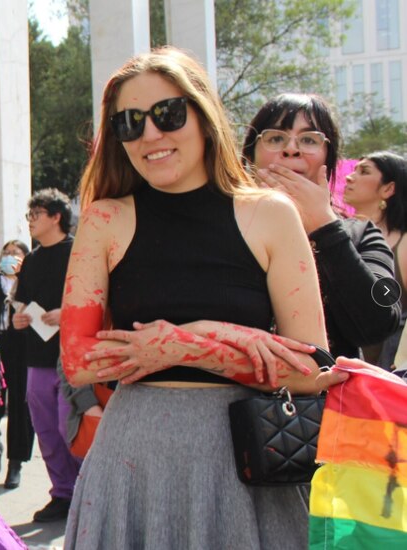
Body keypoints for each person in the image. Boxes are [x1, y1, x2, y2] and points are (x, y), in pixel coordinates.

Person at [60, 48, 348, 549]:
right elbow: (80, 362)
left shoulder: (270, 214)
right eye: (129, 123)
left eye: (167, 114)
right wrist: (243, 346)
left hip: (244, 458)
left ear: (203, 114)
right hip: (133, 458)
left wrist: (195, 342)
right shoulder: (104, 219)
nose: (150, 135)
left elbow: (311, 368)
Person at [241, 93, 400, 361]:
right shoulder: (221, 224)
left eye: (309, 140)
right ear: (250, 155)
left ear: (329, 157)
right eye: (276, 138)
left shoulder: (360, 235)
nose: (291, 149)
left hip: (326, 400)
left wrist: (325, 228)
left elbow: (380, 322)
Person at [9, 189, 79, 522]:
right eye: (29, 215)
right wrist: (18, 318)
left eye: (36, 214)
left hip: (73, 356)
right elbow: (21, 305)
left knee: (71, 427)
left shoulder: (81, 253)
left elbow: (103, 299)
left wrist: (68, 313)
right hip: (37, 357)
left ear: (56, 216)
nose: (31, 221)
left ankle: (87, 490)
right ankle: (62, 493)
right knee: (46, 428)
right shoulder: (32, 260)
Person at [341, 151, 407, 367]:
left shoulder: (403, 244)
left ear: (388, 189)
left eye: (364, 171)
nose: (350, 177)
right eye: (353, 170)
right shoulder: (335, 234)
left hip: (384, 377)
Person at [0, 240, 33, 489]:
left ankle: (15, 464)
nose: (10, 258)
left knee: (21, 408)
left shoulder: (31, 285)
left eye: (16, 254)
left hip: (22, 351)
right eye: (6, 253)